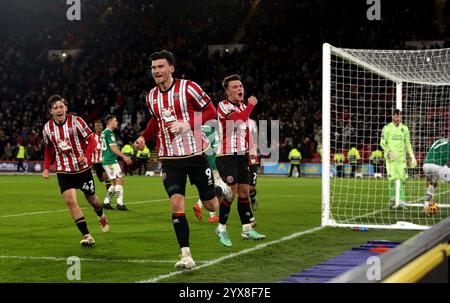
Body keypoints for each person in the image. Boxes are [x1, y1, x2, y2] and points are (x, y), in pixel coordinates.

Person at [133, 50, 220, 270]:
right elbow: (156, 119)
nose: (156, 71)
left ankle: (220, 190)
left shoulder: (189, 87)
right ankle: (186, 255)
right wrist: (144, 136)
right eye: (153, 68)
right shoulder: (151, 96)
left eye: (161, 66)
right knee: (176, 203)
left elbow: (211, 112)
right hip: (170, 158)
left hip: (195, 154)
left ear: (171, 68)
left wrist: (188, 124)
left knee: (211, 203)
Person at [42, 95, 109, 247]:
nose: (59, 110)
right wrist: (46, 167)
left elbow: (91, 139)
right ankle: (87, 235)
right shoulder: (47, 128)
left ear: (65, 108)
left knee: (93, 200)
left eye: (61, 107)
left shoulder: (76, 121)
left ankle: (101, 213)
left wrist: (86, 157)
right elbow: (48, 149)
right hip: (64, 171)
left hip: (82, 170)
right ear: (50, 111)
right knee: (71, 201)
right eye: (55, 108)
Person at [214, 74, 266, 247]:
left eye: (241, 86)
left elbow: (245, 134)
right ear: (227, 92)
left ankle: (246, 228)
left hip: (241, 156)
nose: (240, 89)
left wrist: (251, 156)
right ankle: (221, 228)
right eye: (235, 87)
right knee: (231, 192)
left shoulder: (243, 107)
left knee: (244, 191)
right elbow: (239, 120)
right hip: (226, 155)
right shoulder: (223, 106)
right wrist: (251, 105)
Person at [192, 124, 232, 223]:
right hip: (213, 163)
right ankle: (210, 213)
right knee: (219, 187)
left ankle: (204, 209)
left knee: (210, 187)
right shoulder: (213, 131)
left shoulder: (196, 128)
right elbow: (216, 148)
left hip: (200, 162)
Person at [380, 109, 417, 209]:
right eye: (396, 116)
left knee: (403, 179)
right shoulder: (386, 128)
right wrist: (389, 152)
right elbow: (382, 143)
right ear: (392, 117)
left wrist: (412, 156)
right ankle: (392, 200)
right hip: (391, 159)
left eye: (400, 116)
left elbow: (407, 143)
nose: (398, 118)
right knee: (392, 179)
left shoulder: (404, 128)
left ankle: (401, 200)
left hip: (401, 159)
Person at [101, 115, 132, 210]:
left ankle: (106, 202)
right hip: (110, 160)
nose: (117, 122)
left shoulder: (103, 133)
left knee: (115, 182)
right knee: (119, 180)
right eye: (115, 121)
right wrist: (124, 156)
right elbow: (113, 148)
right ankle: (120, 204)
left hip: (106, 160)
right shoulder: (110, 133)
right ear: (109, 122)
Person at [422, 138, 450, 214]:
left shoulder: (439, 140)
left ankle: (426, 206)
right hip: (437, 165)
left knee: (432, 185)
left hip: (426, 165)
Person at [91, 120, 112, 192]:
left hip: (104, 161)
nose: (98, 127)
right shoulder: (91, 136)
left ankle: (109, 197)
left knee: (106, 177)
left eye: (99, 125)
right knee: (101, 179)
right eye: (96, 126)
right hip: (94, 162)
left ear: (102, 127)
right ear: (94, 127)